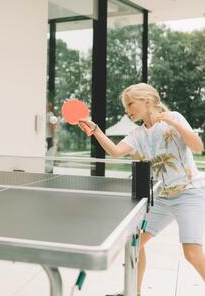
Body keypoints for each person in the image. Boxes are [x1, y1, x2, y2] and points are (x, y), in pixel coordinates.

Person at [78, 83, 205, 295]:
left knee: (191, 253)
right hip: (162, 198)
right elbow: (116, 151)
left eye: (130, 104)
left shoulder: (174, 117)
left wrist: (175, 124)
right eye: (125, 107)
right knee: (134, 242)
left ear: (146, 100)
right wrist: (97, 131)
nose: (127, 111)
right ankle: (133, 292)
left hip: (188, 193)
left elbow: (197, 146)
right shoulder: (138, 133)